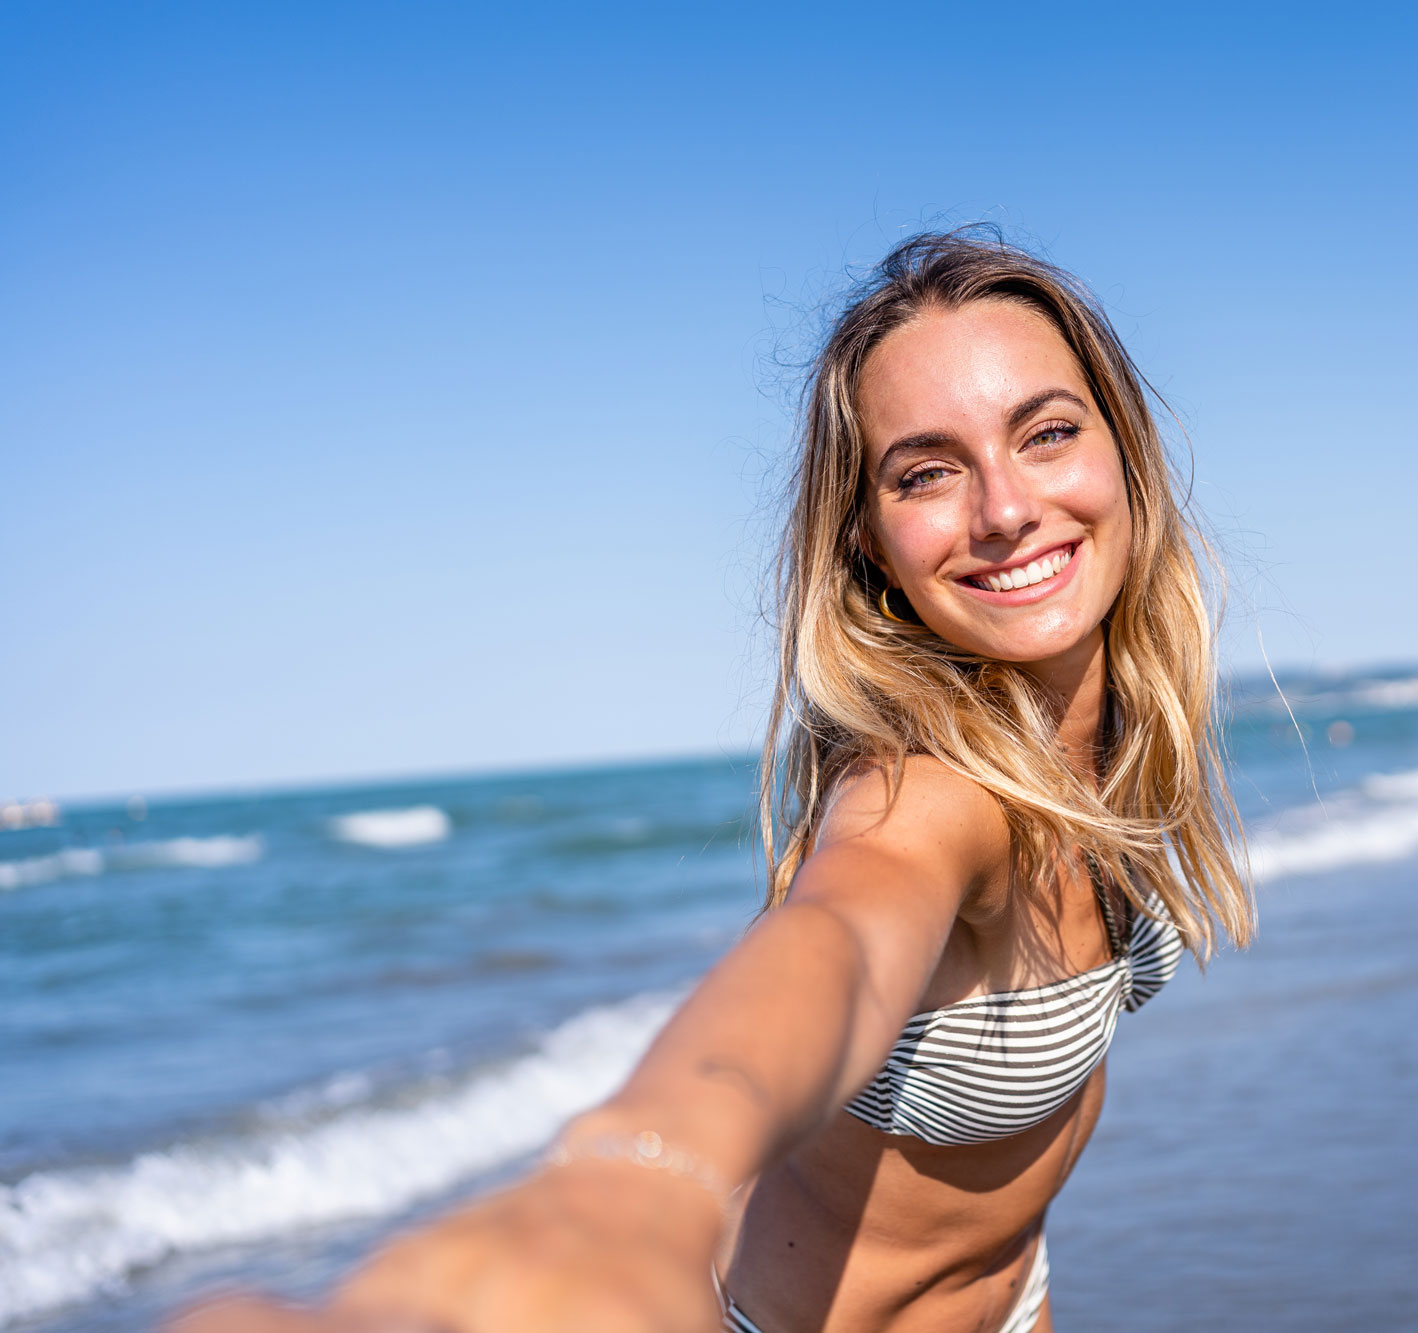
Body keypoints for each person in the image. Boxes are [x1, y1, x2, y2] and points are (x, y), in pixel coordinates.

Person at [175, 230, 1255, 1333]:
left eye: (1046, 433)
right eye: (926, 472)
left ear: (1124, 450)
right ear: (869, 539)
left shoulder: (1113, 741)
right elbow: (840, 938)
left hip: (1014, 1298)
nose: (1003, 508)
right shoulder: (931, 793)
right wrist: (630, 1184)